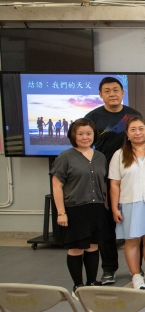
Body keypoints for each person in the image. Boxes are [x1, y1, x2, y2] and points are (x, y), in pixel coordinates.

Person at [85, 76, 142, 285]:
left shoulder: (133, 115)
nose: (112, 94)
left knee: (135, 224)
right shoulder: (92, 117)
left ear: (122, 92)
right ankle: (109, 269)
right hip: (104, 177)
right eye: (107, 91)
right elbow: (85, 144)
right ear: (100, 95)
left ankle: (137, 269)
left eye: (116, 90)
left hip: (131, 175)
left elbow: (140, 141)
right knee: (107, 225)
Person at [50, 119, 112, 297]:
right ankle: (78, 286)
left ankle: (92, 282)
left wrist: (106, 206)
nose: (85, 137)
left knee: (93, 247)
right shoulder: (65, 157)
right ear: (73, 136)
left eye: (88, 133)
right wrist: (61, 213)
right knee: (76, 248)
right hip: (75, 209)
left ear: (94, 135)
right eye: (80, 134)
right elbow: (57, 186)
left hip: (96, 208)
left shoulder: (100, 157)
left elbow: (104, 184)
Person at [108, 116, 145, 290]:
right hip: (129, 202)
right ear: (127, 133)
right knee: (132, 240)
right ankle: (136, 275)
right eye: (133, 129)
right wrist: (114, 208)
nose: (137, 133)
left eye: (141, 129)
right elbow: (114, 184)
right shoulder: (119, 155)